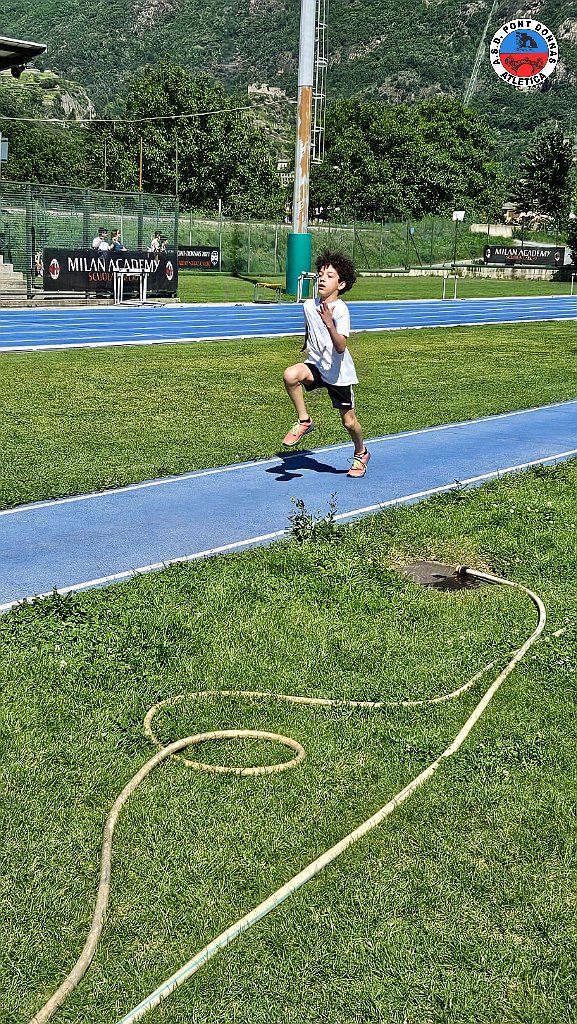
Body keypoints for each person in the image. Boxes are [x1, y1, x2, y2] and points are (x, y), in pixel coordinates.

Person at [282, 249, 370, 478]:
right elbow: (310, 327)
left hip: (339, 374)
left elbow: (341, 346)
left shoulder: (341, 310)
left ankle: (361, 452)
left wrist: (329, 324)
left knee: (349, 422)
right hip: (317, 367)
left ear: (341, 284)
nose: (322, 279)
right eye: (320, 274)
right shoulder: (308, 305)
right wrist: (307, 342)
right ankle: (304, 420)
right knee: (290, 374)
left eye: (330, 276)